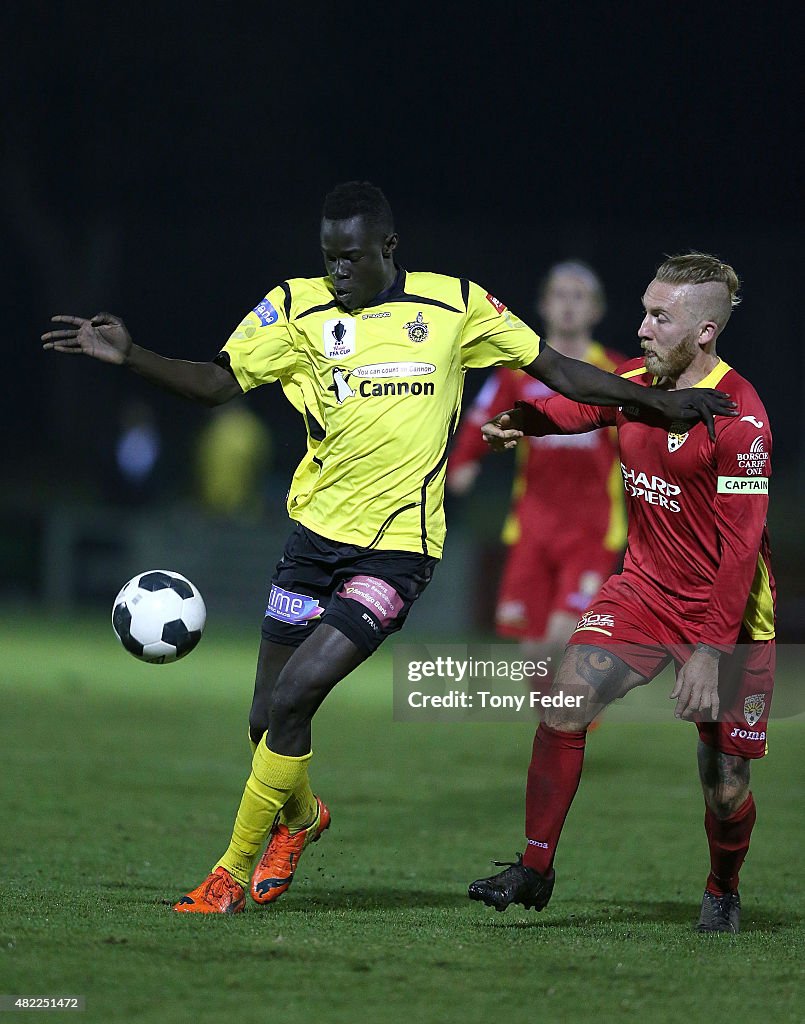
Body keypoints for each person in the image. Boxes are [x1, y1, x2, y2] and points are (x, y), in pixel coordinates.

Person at [42, 184, 733, 915]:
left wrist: (659, 401)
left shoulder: (454, 305)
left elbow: (559, 373)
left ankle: (228, 873)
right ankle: (303, 821)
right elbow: (216, 384)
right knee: (265, 717)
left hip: (398, 552)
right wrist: (131, 356)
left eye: (350, 257)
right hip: (311, 544)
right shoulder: (292, 307)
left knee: (296, 694)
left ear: (387, 249)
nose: (336, 271)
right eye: (327, 257)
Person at [468, 253, 774, 933]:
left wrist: (704, 652)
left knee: (724, 786)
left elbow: (739, 552)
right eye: (642, 309)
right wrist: (525, 420)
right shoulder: (641, 384)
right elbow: (580, 406)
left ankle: (721, 885)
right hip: (641, 590)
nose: (640, 328)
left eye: (658, 317)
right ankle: (534, 867)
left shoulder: (741, 421)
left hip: (724, 615)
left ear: (702, 332)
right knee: (565, 698)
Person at [447, 261, 626, 664]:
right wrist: (464, 461)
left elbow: (637, 439)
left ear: (596, 310)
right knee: (532, 652)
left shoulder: (614, 372)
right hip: (533, 524)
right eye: (559, 295)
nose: (568, 306)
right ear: (543, 305)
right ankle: (558, 724)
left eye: (578, 297)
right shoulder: (518, 371)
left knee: (564, 637)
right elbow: (482, 418)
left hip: (591, 528)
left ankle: (577, 719)